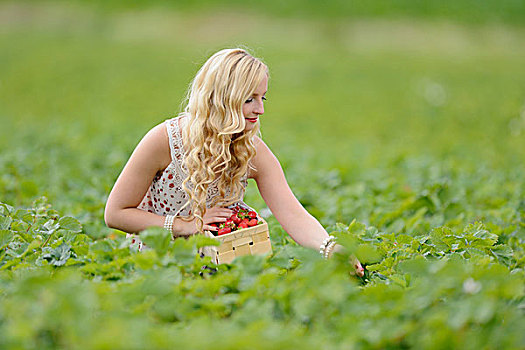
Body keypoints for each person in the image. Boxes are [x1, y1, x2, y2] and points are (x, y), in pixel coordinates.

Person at [104, 48, 364, 276]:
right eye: (249, 99)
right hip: (155, 268)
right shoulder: (164, 140)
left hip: (224, 268)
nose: (260, 109)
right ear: (222, 99)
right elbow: (116, 213)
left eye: (263, 98)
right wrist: (185, 226)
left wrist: (330, 247)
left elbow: (292, 212)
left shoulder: (250, 149)